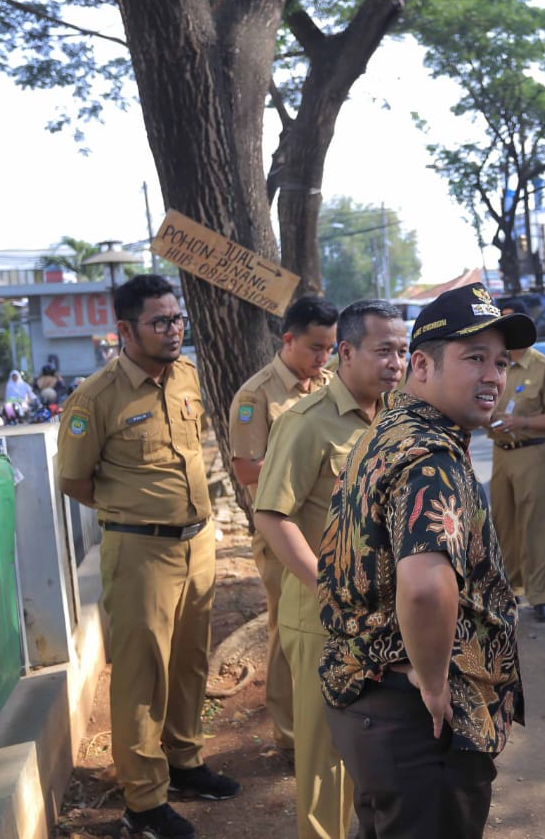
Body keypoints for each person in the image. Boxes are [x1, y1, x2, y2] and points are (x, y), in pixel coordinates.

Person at [319, 282, 535, 837]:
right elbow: (423, 588)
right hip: (413, 716)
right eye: (473, 359)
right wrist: (437, 685)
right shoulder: (430, 459)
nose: (492, 375)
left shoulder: (388, 429)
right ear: (422, 364)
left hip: (366, 699)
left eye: (500, 362)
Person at [57, 274, 238, 839]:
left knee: (189, 661)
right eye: (161, 321)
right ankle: (143, 800)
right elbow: (74, 479)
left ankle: (184, 762)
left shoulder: (185, 376)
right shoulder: (97, 396)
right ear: (125, 330)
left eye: (177, 318)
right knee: (142, 673)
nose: (174, 329)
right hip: (138, 551)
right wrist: (132, 513)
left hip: (197, 544)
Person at [252, 299, 407, 839]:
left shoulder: (395, 416)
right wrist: (332, 587)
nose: (396, 362)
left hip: (383, 615)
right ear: (346, 352)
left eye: (403, 351)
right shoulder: (305, 421)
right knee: (325, 762)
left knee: (374, 748)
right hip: (323, 615)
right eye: (383, 350)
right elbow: (273, 515)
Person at [228, 295, 338, 753]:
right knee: (286, 629)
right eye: (315, 347)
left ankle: (328, 720)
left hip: (329, 531)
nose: (323, 358)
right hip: (281, 533)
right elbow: (246, 470)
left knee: (327, 627)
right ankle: (291, 735)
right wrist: (301, 460)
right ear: (287, 339)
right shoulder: (257, 396)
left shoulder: (329, 385)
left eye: (330, 348)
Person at [488, 298, 545, 622]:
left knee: (534, 526)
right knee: (503, 527)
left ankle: (540, 595)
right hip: (501, 455)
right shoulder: (491, 366)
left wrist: (520, 422)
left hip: (533, 452)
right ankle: (511, 590)